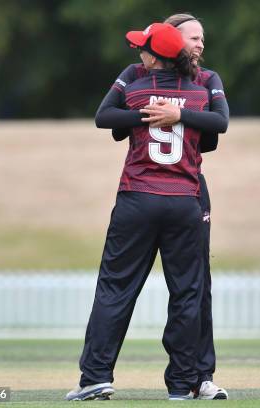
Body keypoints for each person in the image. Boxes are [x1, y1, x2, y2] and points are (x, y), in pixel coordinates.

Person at [65, 22, 224, 401]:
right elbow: (215, 133)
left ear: (156, 55)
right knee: (187, 293)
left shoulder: (135, 92)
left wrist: (142, 117)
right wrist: (180, 116)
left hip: (137, 198)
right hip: (184, 200)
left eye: (143, 49)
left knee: (115, 288)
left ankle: (96, 376)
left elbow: (107, 119)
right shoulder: (201, 95)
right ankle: (183, 385)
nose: (139, 53)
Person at [110, 13, 229, 400]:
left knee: (198, 284)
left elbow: (216, 131)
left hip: (191, 187)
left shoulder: (208, 79)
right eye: (192, 38)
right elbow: (113, 125)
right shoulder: (136, 73)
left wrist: (179, 115)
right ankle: (185, 379)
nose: (200, 44)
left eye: (202, 37)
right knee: (183, 285)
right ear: (170, 44)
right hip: (162, 189)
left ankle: (200, 375)